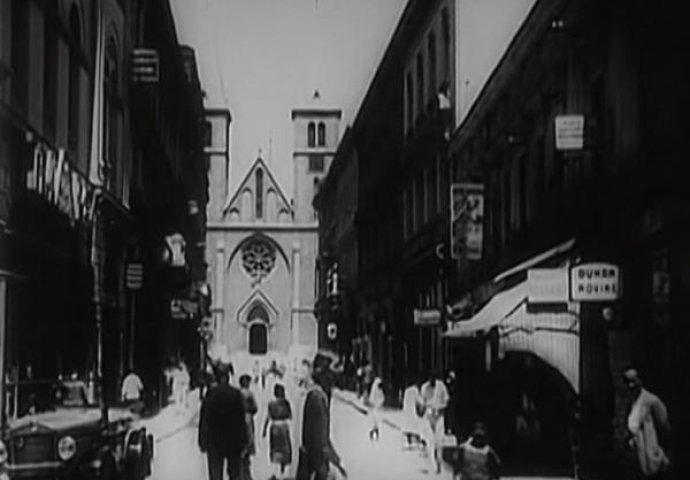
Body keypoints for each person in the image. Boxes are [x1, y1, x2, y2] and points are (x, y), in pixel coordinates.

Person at [296, 352, 347, 480]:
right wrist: (332, 463)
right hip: (316, 466)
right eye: (329, 376)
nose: (332, 381)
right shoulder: (317, 399)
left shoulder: (314, 396)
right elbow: (319, 441)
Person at [198, 363, 248, 480]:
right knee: (235, 475)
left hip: (214, 441)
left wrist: (202, 440)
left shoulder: (210, 395)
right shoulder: (236, 394)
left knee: (215, 475)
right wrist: (244, 439)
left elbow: (204, 419)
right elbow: (242, 419)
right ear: (227, 377)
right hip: (233, 440)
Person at [623, 367, 672, 479]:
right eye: (627, 382)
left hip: (652, 458)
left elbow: (664, 428)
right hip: (637, 458)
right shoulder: (631, 402)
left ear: (640, 380)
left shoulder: (652, 401)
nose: (630, 385)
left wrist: (664, 453)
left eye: (633, 381)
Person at [421, 371, 450, 474]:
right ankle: (432, 466)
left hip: (439, 416)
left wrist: (440, 408)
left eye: (433, 379)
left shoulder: (441, 387)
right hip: (428, 416)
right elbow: (423, 403)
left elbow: (446, 401)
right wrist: (425, 408)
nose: (432, 381)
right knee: (430, 441)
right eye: (430, 379)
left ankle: (439, 464)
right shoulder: (424, 387)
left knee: (439, 442)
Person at [262, 383, 293, 480]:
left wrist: (264, 429)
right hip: (283, 426)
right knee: (285, 449)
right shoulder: (286, 403)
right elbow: (290, 416)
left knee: (275, 449)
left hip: (274, 427)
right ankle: (282, 471)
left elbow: (268, 417)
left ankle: (276, 472)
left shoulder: (271, 404)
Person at [239, 374, 259, 480]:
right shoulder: (250, 394)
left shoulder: (237, 393)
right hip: (248, 418)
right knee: (249, 438)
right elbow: (255, 408)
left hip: (238, 419)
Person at [368, 377, 385, 442]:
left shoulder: (380, 390)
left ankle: (376, 435)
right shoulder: (374, 389)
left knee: (377, 423)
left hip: (378, 408)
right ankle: (373, 434)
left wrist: (380, 403)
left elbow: (382, 398)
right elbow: (372, 398)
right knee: (374, 423)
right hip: (374, 408)